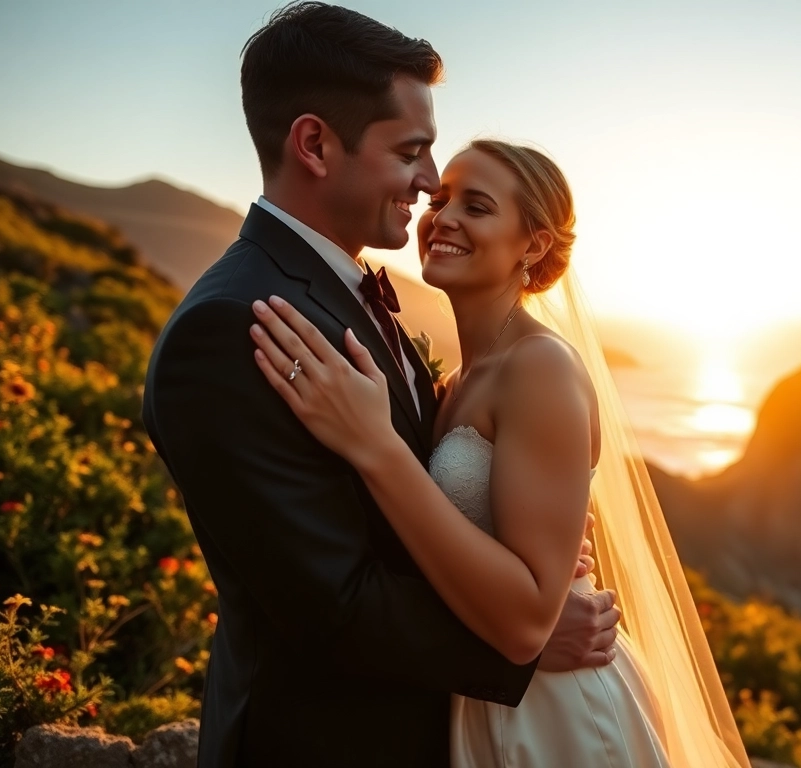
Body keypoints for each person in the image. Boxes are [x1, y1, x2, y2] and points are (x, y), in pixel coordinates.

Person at [142, 5, 617, 766]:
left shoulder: (353, 297)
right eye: (411, 153)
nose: (429, 187)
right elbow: (330, 601)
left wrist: (531, 554)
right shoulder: (234, 326)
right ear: (314, 144)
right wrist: (524, 642)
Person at [247, 138, 749, 766]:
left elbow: (529, 617)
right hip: (482, 696)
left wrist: (376, 445)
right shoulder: (454, 382)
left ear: (533, 245)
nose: (443, 218)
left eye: (477, 207)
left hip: (559, 712)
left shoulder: (540, 366)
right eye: (441, 200)